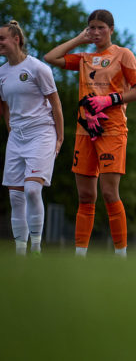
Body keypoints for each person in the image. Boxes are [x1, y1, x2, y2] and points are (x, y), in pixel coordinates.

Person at [45, 9, 136, 257]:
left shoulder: (123, 55)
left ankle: (121, 254)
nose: (96, 32)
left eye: (101, 27)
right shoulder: (83, 58)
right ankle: (81, 255)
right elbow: (51, 57)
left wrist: (109, 100)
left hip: (112, 130)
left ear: (111, 29)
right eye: (92, 28)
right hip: (84, 130)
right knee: (86, 195)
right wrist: (80, 39)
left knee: (110, 193)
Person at [0, 20, 64, 255]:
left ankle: (36, 249)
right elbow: (5, 106)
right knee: (16, 196)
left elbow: (56, 103)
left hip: (42, 132)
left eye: (2, 38)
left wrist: (60, 137)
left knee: (32, 190)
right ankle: (20, 255)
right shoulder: (2, 73)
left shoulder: (38, 68)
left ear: (16, 39)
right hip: (17, 137)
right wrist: (11, 132)